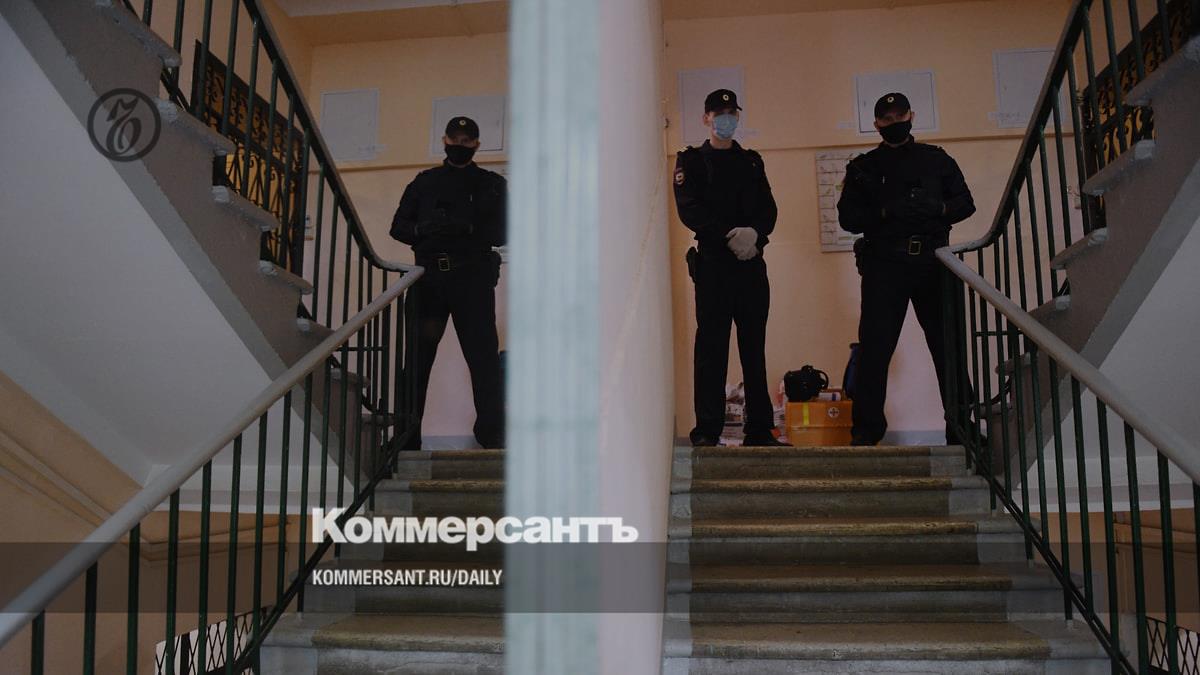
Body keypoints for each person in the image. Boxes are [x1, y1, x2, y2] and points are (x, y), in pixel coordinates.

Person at [837, 93, 976, 446]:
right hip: (885, 264)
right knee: (875, 349)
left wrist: (938, 208)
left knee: (948, 347)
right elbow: (848, 219)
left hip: (934, 261)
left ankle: (961, 428)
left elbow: (965, 204)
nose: (894, 122)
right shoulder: (864, 168)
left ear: (911, 116)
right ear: (876, 125)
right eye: (887, 118)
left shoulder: (937, 160)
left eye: (899, 116)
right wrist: (885, 212)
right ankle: (866, 432)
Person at [673, 89, 786, 447]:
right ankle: (708, 430)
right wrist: (728, 236)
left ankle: (760, 428)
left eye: (731, 113)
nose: (726, 119)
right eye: (719, 113)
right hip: (714, 266)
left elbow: (768, 210)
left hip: (751, 263)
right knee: (711, 348)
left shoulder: (751, 162)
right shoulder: (691, 161)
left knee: (754, 347)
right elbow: (689, 209)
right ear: (706, 118)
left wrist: (755, 236)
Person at [390, 116, 506, 449]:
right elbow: (398, 227)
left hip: (472, 280)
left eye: (466, 141)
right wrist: (423, 229)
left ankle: (492, 435)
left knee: (483, 359)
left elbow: (505, 231)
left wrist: (468, 228)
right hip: (429, 280)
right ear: (444, 141)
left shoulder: (491, 185)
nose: (459, 145)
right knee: (417, 361)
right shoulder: (424, 182)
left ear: (477, 145)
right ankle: (407, 437)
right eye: (454, 139)